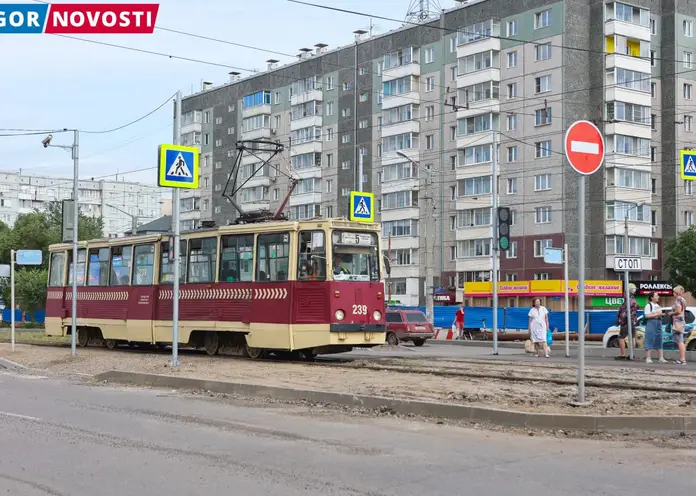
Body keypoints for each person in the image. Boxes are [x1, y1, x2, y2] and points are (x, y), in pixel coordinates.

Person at [615, 283, 639, 360]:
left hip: (626, 322)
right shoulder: (635, 301)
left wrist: (620, 321)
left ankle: (623, 355)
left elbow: (624, 313)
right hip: (633, 322)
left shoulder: (627, 301)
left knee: (621, 337)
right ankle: (632, 354)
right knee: (632, 338)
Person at [643, 291, 666, 364]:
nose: (658, 297)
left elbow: (659, 314)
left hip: (658, 322)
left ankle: (661, 358)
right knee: (650, 339)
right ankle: (648, 357)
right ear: (652, 297)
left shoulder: (658, 305)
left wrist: (661, 314)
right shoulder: (648, 305)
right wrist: (657, 314)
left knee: (659, 339)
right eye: (656, 295)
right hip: (651, 323)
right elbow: (646, 316)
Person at [668, 285, 688, 365]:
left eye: (674, 292)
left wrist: (671, 313)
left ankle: (682, 359)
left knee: (680, 341)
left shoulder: (678, 300)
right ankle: (682, 359)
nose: (673, 293)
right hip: (681, 321)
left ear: (676, 292)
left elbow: (679, 310)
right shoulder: (683, 300)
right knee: (680, 341)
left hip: (678, 322)